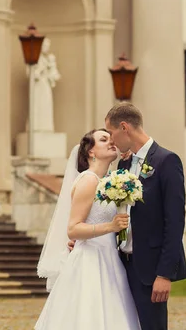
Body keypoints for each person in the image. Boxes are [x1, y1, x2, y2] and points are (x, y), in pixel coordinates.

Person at [35, 129, 141, 329]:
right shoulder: (89, 180)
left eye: (111, 138)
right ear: (91, 151)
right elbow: (73, 229)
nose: (111, 142)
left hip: (110, 258)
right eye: (103, 139)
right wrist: (110, 226)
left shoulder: (107, 182)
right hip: (91, 261)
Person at [104, 102, 186, 330]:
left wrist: (164, 274)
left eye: (110, 133)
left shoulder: (167, 161)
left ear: (124, 127)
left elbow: (175, 221)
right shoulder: (123, 163)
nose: (110, 140)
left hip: (150, 271)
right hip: (120, 266)